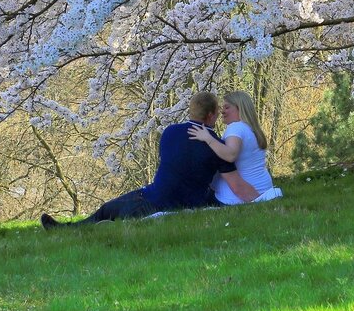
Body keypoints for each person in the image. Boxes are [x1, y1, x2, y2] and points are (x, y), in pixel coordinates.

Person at [40, 91, 256, 227]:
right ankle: (76, 229)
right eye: (217, 113)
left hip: (152, 197)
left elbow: (179, 164)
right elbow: (237, 187)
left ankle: (71, 229)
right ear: (210, 116)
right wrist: (264, 198)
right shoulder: (217, 147)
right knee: (113, 215)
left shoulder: (170, 132)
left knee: (108, 210)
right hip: (169, 202)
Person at [188, 90, 280, 204]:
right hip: (263, 188)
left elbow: (230, 155)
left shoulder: (236, 127)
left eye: (227, 107)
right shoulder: (251, 128)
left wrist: (207, 138)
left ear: (239, 108)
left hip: (236, 198)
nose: (222, 111)